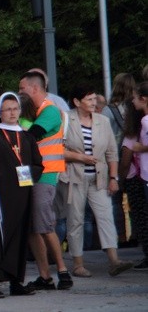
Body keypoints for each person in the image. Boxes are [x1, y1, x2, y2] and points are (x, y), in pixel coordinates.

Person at [0, 93, 42, 298]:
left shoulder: (27, 136)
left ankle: (15, 281)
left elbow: (38, 164)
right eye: (7, 109)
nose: (12, 113)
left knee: (19, 237)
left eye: (15, 108)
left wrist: (25, 174)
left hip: (21, 195)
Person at [61, 84, 133, 277]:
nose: (94, 103)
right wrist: (80, 158)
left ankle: (114, 260)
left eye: (94, 99)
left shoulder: (102, 120)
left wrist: (113, 178)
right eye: (89, 99)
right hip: (74, 177)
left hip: (99, 177)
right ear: (77, 102)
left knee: (106, 216)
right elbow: (57, 149)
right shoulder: (66, 119)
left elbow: (111, 152)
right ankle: (77, 264)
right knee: (75, 220)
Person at [18, 71, 73, 291]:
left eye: (22, 88)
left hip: (45, 174)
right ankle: (45, 276)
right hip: (26, 173)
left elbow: (30, 138)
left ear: (34, 88)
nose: (19, 93)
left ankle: (62, 271)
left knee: (44, 223)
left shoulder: (50, 111)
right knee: (31, 225)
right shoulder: (30, 113)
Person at [102, 73, 137, 244]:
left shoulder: (108, 110)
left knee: (115, 202)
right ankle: (137, 234)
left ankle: (121, 237)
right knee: (135, 200)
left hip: (113, 160)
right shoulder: (135, 108)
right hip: (134, 160)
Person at [120, 82, 148, 269]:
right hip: (142, 177)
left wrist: (119, 179)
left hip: (137, 178)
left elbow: (125, 158)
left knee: (140, 217)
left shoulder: (138, 126)